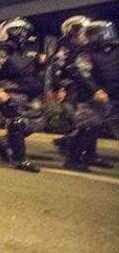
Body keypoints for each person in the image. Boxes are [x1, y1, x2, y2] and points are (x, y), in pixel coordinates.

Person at [0, 17, 46, 172]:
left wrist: (41, 62)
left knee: (39, 122)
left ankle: (3, 143)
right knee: (16, 122)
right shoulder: (3, 49)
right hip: (8, 92)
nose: (23, 33)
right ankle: (20, 160)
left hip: (27, 92)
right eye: (18, 30)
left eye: (24, 30)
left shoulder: (26, 49)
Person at [51, 16, 112, 168]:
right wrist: (59, 87)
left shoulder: (88, 45)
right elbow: (57, 69)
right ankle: (72, 151)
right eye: (77, 29)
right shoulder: (64, 47)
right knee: (86, 123)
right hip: (73, 87)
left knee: (94, 122)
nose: (81, 32)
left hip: (88, 86)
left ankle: (89, 154)